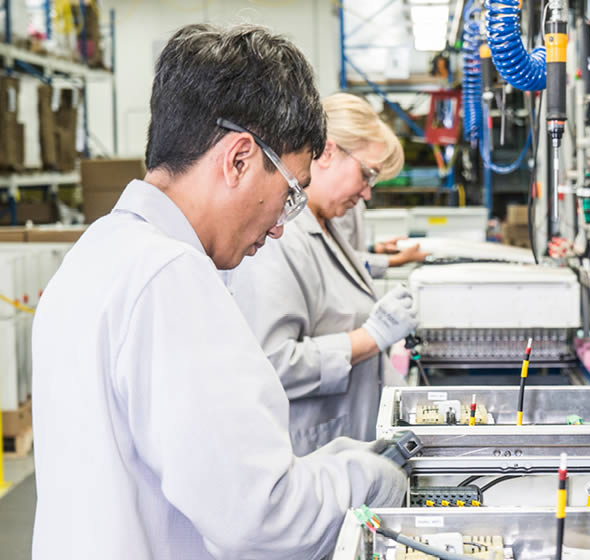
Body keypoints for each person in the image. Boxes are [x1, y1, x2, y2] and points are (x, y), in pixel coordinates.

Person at [30, 24, 406, 560]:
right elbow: (261, 518)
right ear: (239, 159)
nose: (280, 225)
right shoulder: (170, 279)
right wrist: (362, 478)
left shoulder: (98, 252)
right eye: (290, 193)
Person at [229, 93, 417, 455]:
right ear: (328, 152)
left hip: (348, 447)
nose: (366, 193)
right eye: (366, 174)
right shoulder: (279, 240)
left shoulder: (326, 225)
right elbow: (274, 363)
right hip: (309, 454)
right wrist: (371, 337)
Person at [332, 198, 429, 279]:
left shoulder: (356, 200)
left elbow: (347, 246)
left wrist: (376, 248)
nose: (367, 195)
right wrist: (397, 259)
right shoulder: (340, 202)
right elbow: (341, 258)